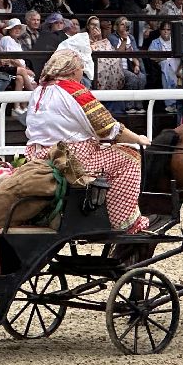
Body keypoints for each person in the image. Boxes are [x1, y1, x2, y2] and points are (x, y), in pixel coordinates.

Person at [23, 46, 151, 233]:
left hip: (38, 154)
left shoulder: (40, 90)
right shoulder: (73, 89)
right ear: (73, 70)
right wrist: (139, 139)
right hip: (70, 158)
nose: (82, 72)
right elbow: (109, 129)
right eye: (81, 67)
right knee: (129, 158)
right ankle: (122, 220)